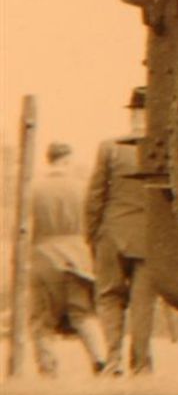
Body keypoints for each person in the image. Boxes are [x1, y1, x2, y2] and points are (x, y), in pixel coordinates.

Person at [88, 86, 156, 375]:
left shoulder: (110, 148)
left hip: (112, 234)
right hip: (150, 238)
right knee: (143, 304)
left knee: (109, 296)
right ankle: (141, 363)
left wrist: (92, 234)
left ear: (133, 114)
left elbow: (95, 197)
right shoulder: (162, 149)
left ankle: (113, 359)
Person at [28, 141, 107, 376]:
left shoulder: (33, 188)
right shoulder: (82, 187)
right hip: (78, 255)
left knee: (42, 320)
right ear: (68, 160)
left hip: (43, 255)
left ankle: (48, 368)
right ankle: (100, 360)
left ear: (48, 159)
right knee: (83, 313)